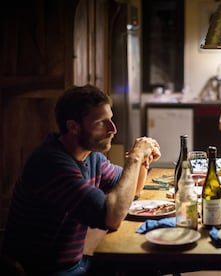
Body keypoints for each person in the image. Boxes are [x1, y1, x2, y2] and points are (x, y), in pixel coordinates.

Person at [1, 85, 161, 275]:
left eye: (111, 119)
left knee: (147, 266)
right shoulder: (51, 164)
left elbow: (131, 190)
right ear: (73, 127)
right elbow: (112, 218)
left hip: (74, 264)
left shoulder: (90, 156)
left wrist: (142, 160)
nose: (113, 129)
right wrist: (134, 157)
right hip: (44, 271)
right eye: (102, 122)